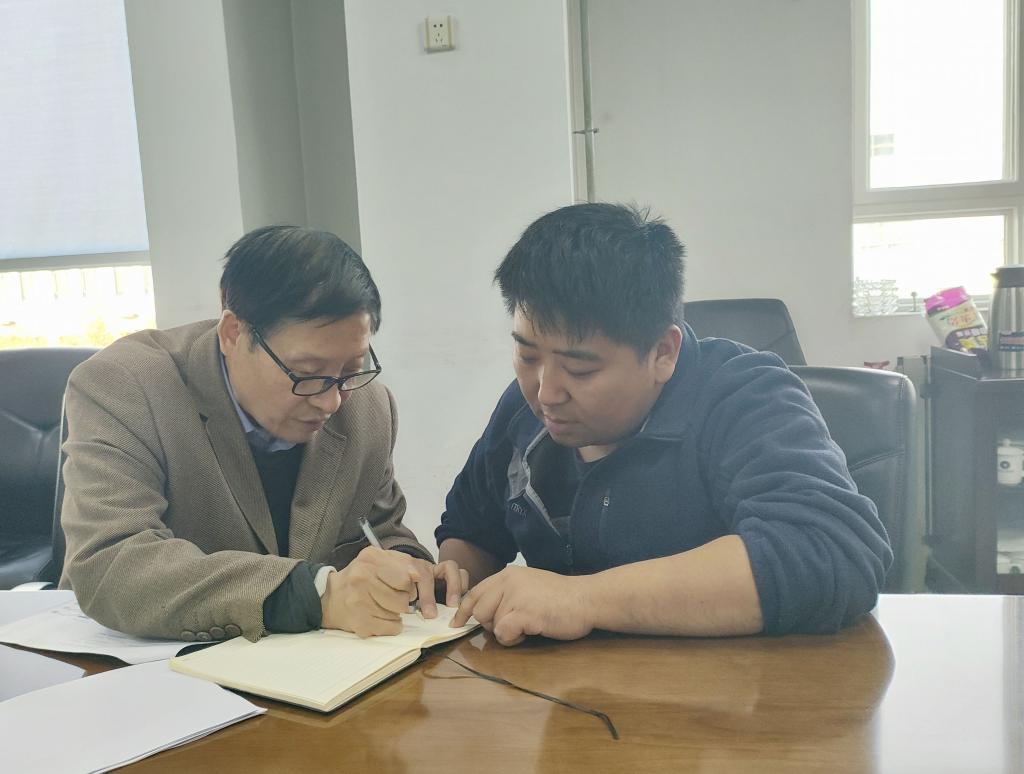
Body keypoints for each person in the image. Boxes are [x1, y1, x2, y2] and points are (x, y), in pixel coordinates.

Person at [441, 203, 891, 645]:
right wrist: (440, 582)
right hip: (565, 688)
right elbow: (471, 531)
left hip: (731, 684)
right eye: (527, 355)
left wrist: (582, 599)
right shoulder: (523, 411)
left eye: (580, 370)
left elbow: (831, 551)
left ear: (663, 353)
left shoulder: (745, 394)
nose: (546, 392)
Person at [60, 225, 467, 642]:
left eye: (351, 369)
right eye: (307, 373)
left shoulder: (367, 407)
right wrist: (315, 594)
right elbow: (112, 561)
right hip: (151, 668)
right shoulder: (127, 386)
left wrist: (409, 570)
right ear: (233, 333)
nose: (331, 402)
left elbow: (377, 531)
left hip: (317, 668)